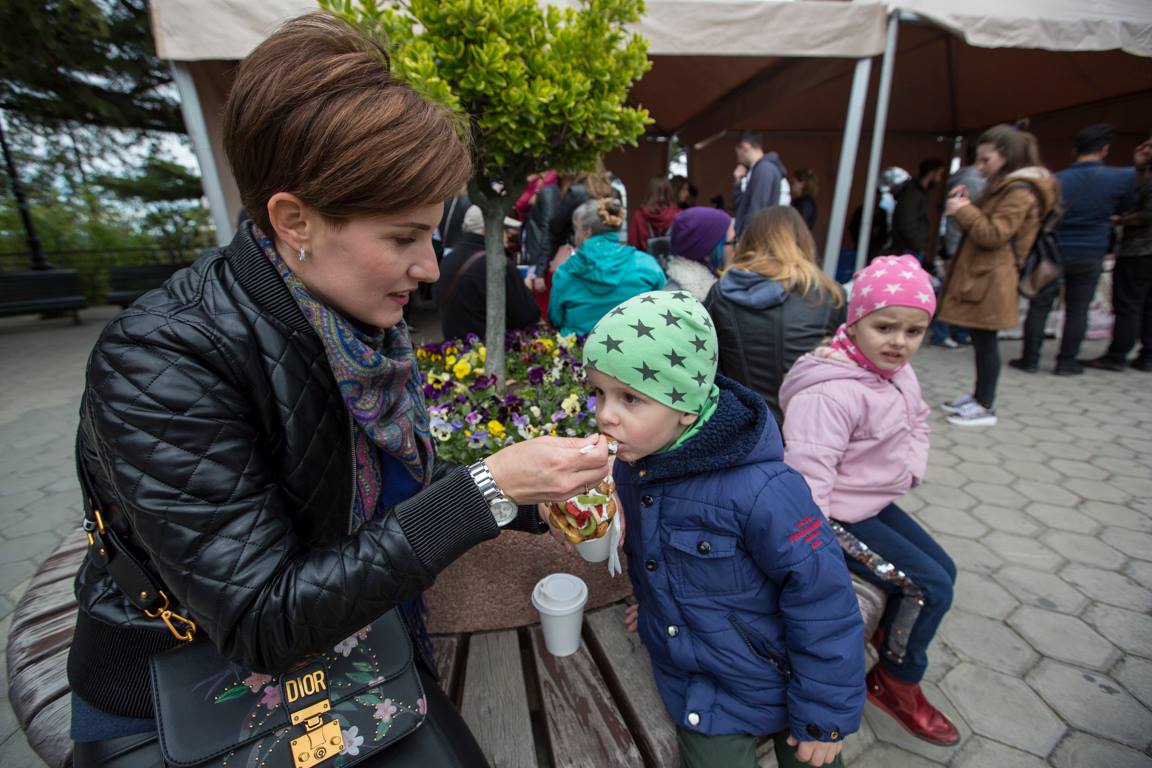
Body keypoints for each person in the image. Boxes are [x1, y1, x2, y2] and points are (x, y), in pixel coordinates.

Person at [66, 14, 614, 765]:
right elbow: (261, 621)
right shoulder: (161, 359)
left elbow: (385, 494)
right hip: (182, 695)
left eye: (431, 235)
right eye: (402, 238)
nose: (429, 268)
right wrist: (485, 489)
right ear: (295, 220)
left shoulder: (347, 325)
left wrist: (529, 493)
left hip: (348, 645)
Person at [577, 290, 865, 768]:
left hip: (778, 670)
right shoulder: (635, 464)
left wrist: (824, 713)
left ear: (686, 408)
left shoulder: (763, 489)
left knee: (815, 758)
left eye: (630, 397)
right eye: (599, 392)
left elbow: (824, 598)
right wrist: (654, 604)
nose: (605, 414)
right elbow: (654, 552)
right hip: (701, 687)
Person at [780, 255, 959, 748]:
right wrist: (809, 557)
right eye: (885, 327)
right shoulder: (829, 394)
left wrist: (911, 468)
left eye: (914, 331)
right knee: (930, 588)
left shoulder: (895, 371)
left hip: (872, 502)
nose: (899, 342)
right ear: (854, 323)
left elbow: (918, 418)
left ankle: (893, 636)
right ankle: (896, 682)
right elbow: (807, 482)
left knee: (945, 570)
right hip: (836, 515)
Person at [937, 124, 1058, 427]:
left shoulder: (1020, 191)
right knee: (981, 340)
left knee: (986, 341)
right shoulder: (1009, 187)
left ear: (1007, 156)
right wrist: (968, 204)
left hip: (993, 277)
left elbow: (994, 234)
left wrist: (963, 210)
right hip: (986, 274)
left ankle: (985, 405)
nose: (979, 167)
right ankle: (979, 396)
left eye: (985, 160)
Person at [1011, 124, 1138, 375]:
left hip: (1052, 252)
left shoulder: (1054, 180)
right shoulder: (1122, 177)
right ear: (1105, 149)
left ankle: (1030, 359)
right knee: (1078, 309)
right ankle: (1066, 362)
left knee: (1040, 305)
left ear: (1074, 150)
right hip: (1091, 252)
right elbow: (1127, 208)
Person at [705, 207, 845, 425]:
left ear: (749, 241)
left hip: (742, 425)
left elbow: (708, 363)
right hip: (811, 423)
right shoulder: (829, 294)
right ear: (803, 242)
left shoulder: (722, 292)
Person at [548, 198, 665, 335]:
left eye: (576, 230)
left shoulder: (565, 272)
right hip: (635, 344)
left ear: (587, 232)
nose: (575, 236)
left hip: (580, 346)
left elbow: (556, 319)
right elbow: (663, 308)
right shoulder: (647, 264)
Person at [1086, 133, 1152, 371]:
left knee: (1128, 304)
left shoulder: (1146, 180)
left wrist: (1120, 220)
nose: (1142, 148)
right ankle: (1146, 356)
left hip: (1139, 252)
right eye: (1143, 144)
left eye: (1149, 147)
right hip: (1140, 251)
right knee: (1145, 305)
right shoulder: (1138, 176)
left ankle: (1117, 356)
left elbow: (1147, 215)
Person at [433, 205, 540, 340]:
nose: (507, 234)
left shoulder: (449, 259)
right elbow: (528, 317)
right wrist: (526, 290)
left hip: (455, 347)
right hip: (489, 349)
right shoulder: (498, 264)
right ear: (487, 230)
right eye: (502, 228)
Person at [664, 206, 730, 300]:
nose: (738, 246)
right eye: (733, 241)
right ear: (707, 251)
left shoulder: (714, 279)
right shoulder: (679, 300)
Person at [732, 130, 788, 237]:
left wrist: (746, 239)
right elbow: (743, 207)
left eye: (737, 151)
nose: (738, 157)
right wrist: (738, 183)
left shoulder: (763, 170)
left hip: (757, 239)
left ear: (745, 146)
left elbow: (757, 209)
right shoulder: (757, 170)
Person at [890, 158, 945, 259]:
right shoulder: (913, 193)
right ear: (931, 173)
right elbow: (907, 223)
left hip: (911, 248)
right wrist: (919, 244)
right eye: (939, 174)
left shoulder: (919, 193)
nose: (939, 179)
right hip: (907, 249)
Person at [628, 176, 680, 251]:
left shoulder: (639, 216)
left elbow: (632, 246)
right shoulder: (678, 215)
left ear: (650, 192)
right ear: (669, 192)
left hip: (645, 257)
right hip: (672, 257)